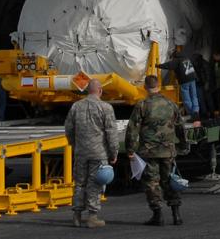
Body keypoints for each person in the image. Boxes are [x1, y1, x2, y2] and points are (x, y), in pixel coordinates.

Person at [125, 74, 187, 226]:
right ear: (159, 86)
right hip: (168, 150)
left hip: (149, 151)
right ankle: (176, 214)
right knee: (170, 180)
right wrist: (183, 145)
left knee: (152, 182)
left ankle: (157, 214)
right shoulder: (171, 104)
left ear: (145, 87)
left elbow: (132, 129)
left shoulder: (142, 105)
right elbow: (180, 126)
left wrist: (130, 149)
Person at [63, 79, 119, 228]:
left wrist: (74, 144)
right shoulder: (105, 108)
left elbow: (68, 128)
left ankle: (76, 215)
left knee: (79, 183)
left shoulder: (76, 106)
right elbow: (111, 133)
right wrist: (114, 152)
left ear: (87, 90)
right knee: (95, 184)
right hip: (98, 153)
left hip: (81, 152)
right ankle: (92, 216)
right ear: (100, 90)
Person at [159, 45, 200, 119]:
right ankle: (196, 111)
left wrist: (158, 65)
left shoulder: (177, 60)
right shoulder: (186, 58)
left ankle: (193, 115)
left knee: (186, 98)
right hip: (193, 79)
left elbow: (169, 65)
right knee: (194, 96)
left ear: (174, 55)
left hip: (185, 81)